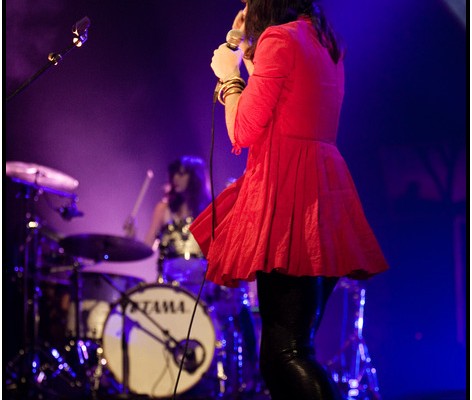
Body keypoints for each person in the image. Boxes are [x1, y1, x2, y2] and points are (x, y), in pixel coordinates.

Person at [190, 1, 390, 399]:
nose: (244, 5)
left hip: (290, 193)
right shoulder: (320, 40)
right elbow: (275, 95)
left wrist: (229, 78)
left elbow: (243, 130)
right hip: (321, 186)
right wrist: (244, 48)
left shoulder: (279, 40)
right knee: (293, 349)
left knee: (285, 353)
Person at [144, 156, 211, 283]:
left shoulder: (210, 210)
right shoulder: (163, 209)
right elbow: (147, 247)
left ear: (195, 177)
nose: (175, 178)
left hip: (203, 284)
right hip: (169, 283)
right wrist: (131, 238)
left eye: (181, 174)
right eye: (174, 174)